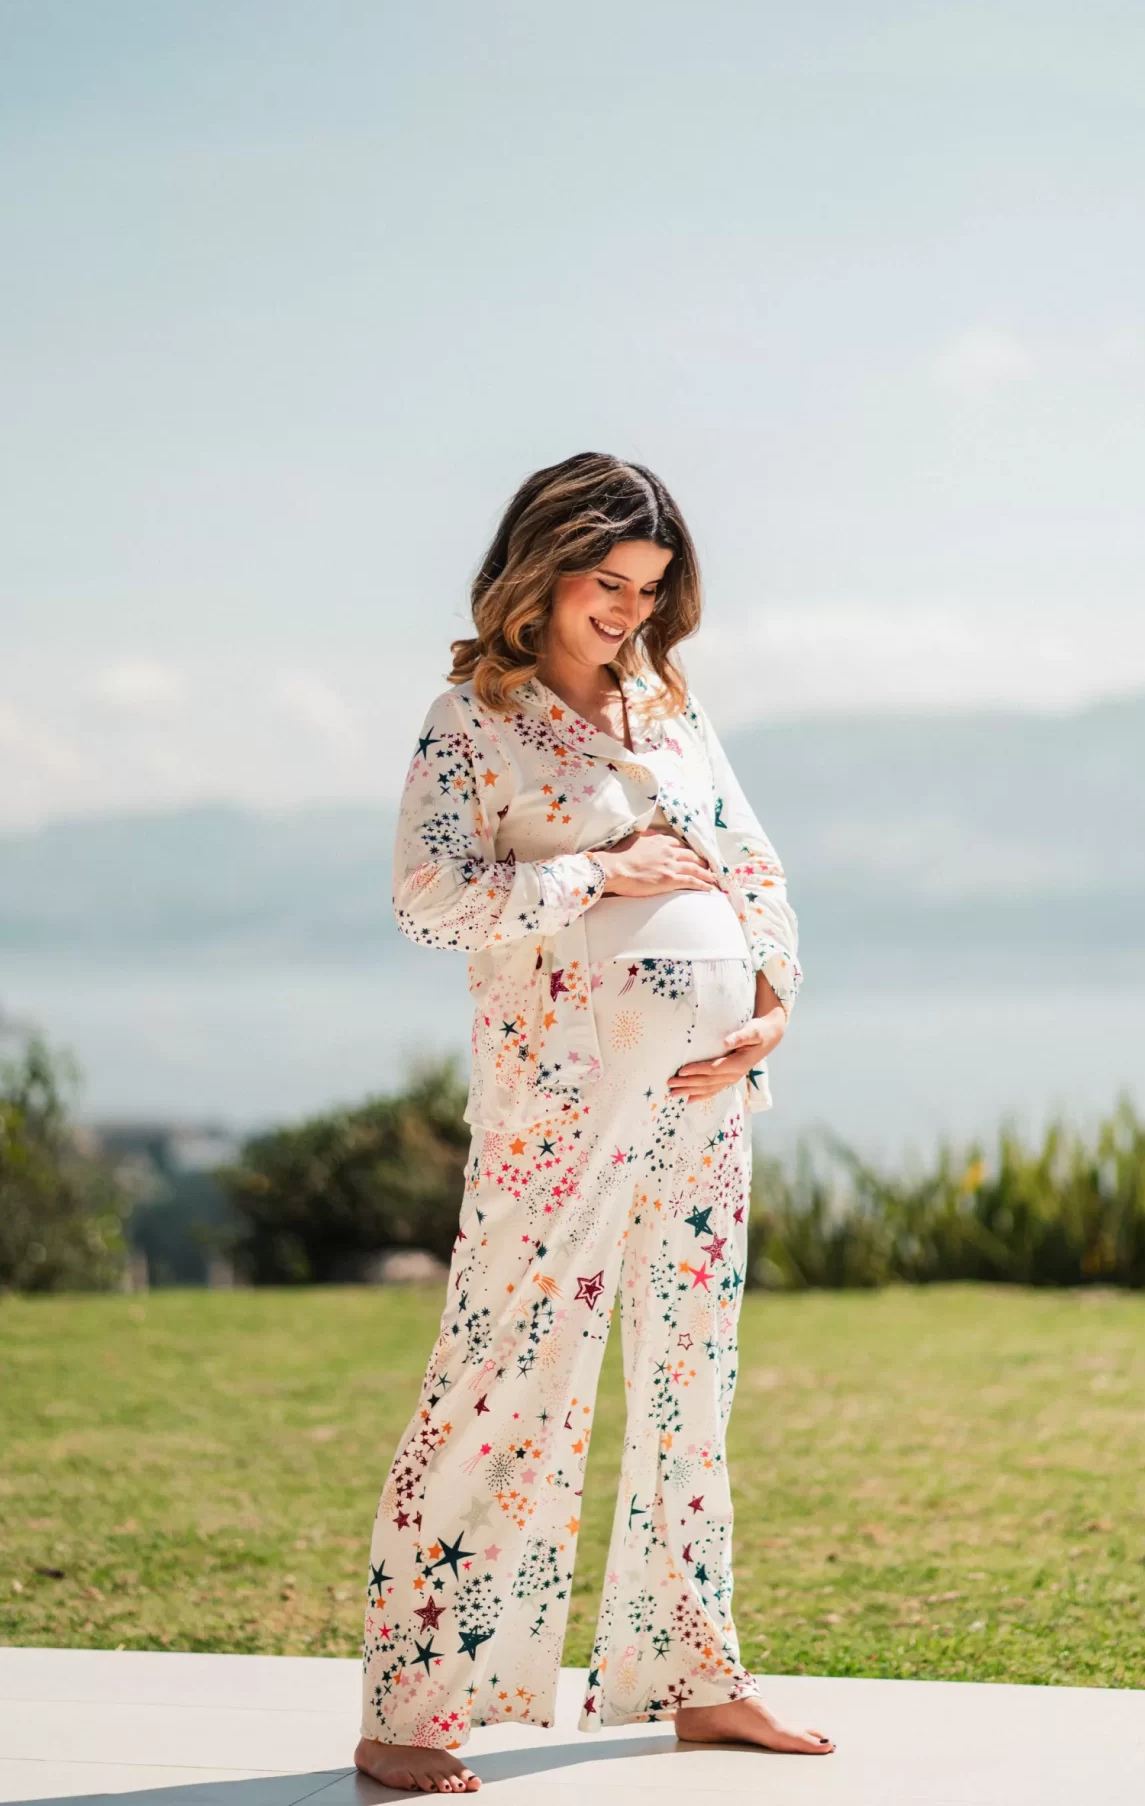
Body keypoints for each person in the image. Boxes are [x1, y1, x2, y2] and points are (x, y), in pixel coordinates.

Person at [355, 452, 834, 1792]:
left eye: (650, 589)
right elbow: (429, 898)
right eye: (608, 583)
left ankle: (693, 1673)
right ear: (541, 568)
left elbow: (753, 863)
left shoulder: (671, 705)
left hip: (704, 1087)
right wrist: (597, 874)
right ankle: (415, 1705)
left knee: (693, 1377)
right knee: (509, 1365)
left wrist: (771, 1002)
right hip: (557, 1097)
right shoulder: (474, 717)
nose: (628, 610)